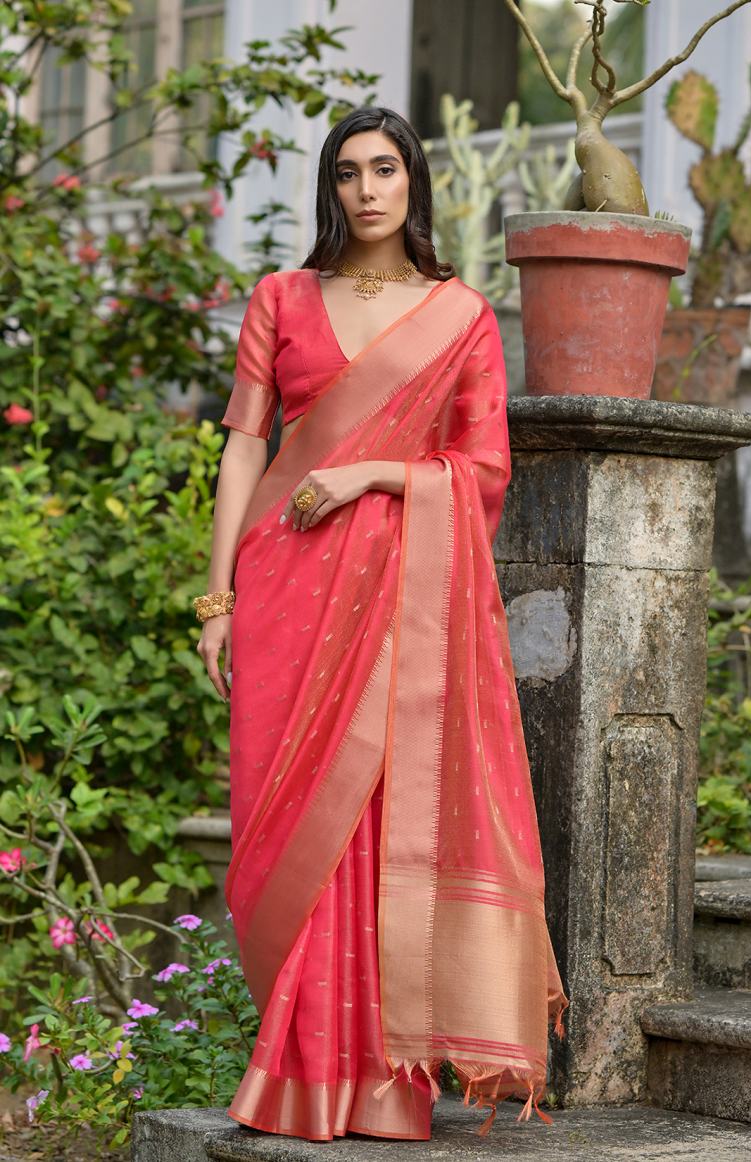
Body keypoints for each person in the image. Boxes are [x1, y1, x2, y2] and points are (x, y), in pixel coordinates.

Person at [194, 105, 568, 1143]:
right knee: (280, 833)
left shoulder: (459, 316)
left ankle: (368, 1082)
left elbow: (482, 469)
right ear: (331, 187)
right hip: (282, 592)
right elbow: (242, 448)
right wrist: (216, 597)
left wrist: (368, 473)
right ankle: (297, 1068)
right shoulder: (280, 298)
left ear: (413, 183)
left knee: (369, 827)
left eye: (385, 169)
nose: (366, 190)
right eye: (348, 172)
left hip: (397, 599)